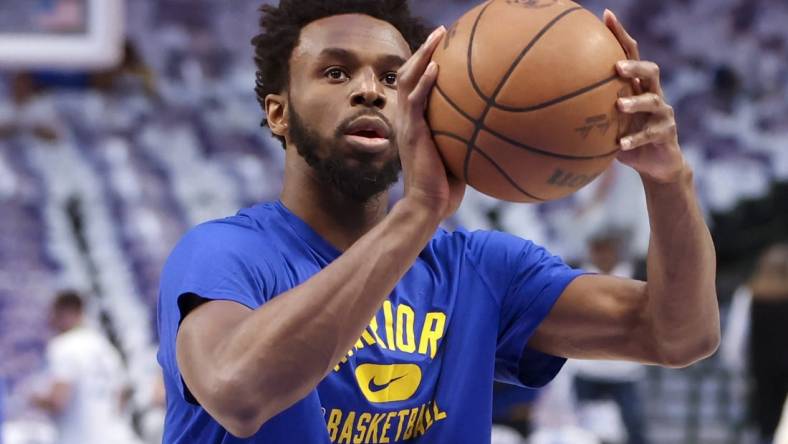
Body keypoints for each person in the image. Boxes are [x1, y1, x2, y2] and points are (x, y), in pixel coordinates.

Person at [157, 1, 720, 442]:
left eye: (392, 76)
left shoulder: (481, 270)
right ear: (278, 113)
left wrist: (668, 180)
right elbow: (238, 393)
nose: (370, 90)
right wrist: (419, 213)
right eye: (335, 72)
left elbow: (680, 334)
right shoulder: (224, 253)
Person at [32, 291, 141, 444]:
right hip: (119, 437)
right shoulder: (104, 345)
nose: (51, 321)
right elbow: (123, 393)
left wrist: (36, 400)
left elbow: (59, 400)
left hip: (83, 438)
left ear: (65, 312)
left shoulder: (63, 346)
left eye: (54, 314)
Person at [572, 227, 648, 444]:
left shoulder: (636, 275)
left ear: (615, 251)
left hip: (624, 370)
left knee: (634, 429)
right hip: (586, 368)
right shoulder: (576, 275)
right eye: (597, 250)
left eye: (606, 250)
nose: (602, 255)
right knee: (583, 433)